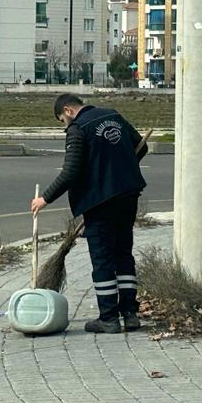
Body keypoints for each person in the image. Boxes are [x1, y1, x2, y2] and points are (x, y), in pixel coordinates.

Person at [31, 93, 146, 333]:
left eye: (63, 120)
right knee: (123, 253)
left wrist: (45, 198)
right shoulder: (113, 114)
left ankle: (109, 318)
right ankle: (130, 314)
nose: (66, 124)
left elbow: (71, 171)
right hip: (128, 193)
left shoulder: (78, 129)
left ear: (68, 110)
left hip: (100, 201)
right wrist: (119, 164)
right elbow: (140, 146)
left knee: (103, 258)